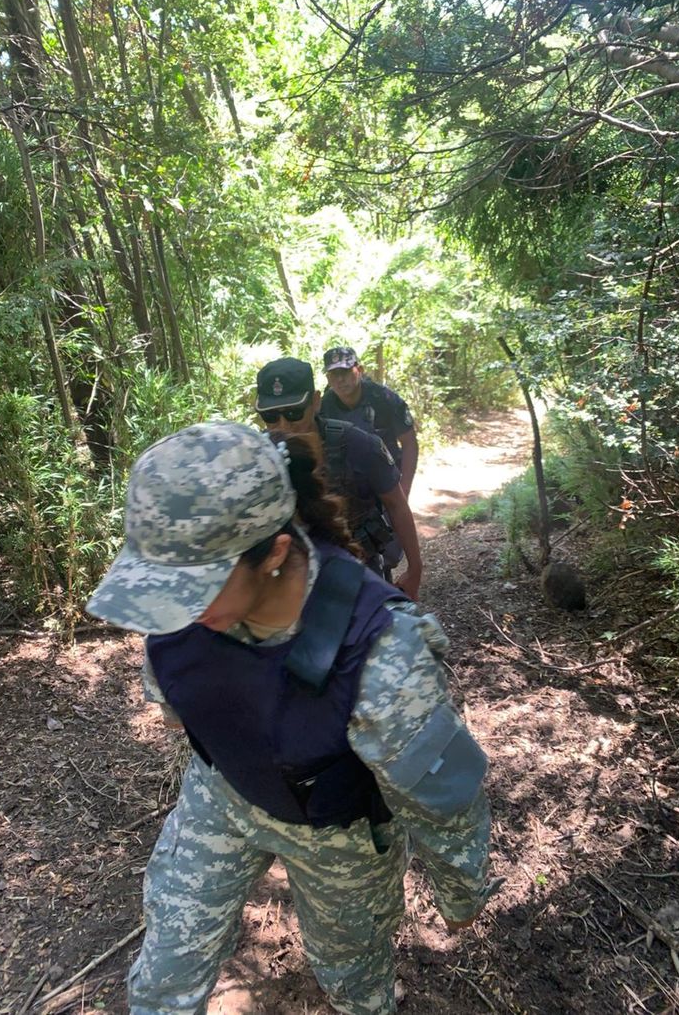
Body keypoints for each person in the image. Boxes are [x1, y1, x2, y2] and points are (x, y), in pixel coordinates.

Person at [86, 421, 499, 1015]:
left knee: (353, 977)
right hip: (222, 794)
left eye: (195, 588)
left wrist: (461, 894)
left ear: (275, 552)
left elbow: (442, 799)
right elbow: (181, 713)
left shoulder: (382, 652)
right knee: (164, 974)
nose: (173, 609)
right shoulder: (184, 612)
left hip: (338, 834)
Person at [255, 356, 422, 601]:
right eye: (270, 417)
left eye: (293, 413)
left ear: (315, 402)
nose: (283, 426)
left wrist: (415, 570)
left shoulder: (358, 444)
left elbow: (396, 505)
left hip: (360, 572)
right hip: (293, 581)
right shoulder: (256, 455)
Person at [320, 347, 419, 499]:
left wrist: (404, 490)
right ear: (328, 378)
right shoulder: (324, 407)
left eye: (345, 372)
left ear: (359, 370)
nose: (340, 379)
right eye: (334, 374)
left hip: (387, 482)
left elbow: (409, 442)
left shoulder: (383, 399)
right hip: (346, 488)